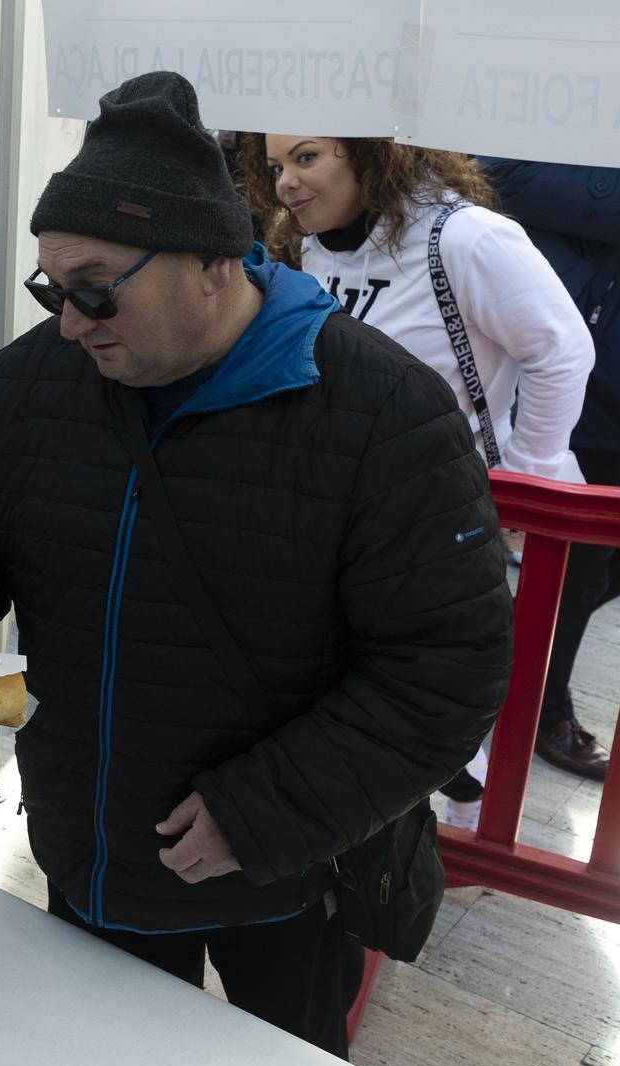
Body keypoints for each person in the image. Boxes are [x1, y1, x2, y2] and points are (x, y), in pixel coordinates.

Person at [0, 72, 513, 1057]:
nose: (68, 319)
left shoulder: (381, 414)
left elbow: (446, 666)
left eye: (93, 289)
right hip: (89, 852)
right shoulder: (35, 375)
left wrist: (261, 812)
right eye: (49, 286)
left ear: (212, 265)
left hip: (280, 875)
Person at [240, 134, 594, 823]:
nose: (284, 183)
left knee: (436, 708)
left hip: (445, 521)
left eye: (306, 158)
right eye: (276, 165)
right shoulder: (305, 240)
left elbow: (561, 349)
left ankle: (448, 851)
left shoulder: (464, 238)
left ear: (371, 152)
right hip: (344, 514)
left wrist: (523, 482)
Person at [482, 157, 620, 781]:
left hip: (593, 371)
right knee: (576, 568)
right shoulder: (547, 92)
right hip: (581, 395)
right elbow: (501, 175)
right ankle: (538, 707)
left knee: (593, 571)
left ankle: (512, 672)